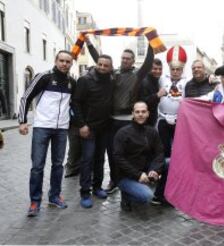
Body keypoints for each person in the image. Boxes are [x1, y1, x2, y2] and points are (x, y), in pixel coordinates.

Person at [85, 37, 154, 194]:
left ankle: (129, 180)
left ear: (133, 61)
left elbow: (149, 62)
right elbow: (99, 59)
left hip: (128, 121)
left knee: (129, 153)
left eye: (128, 59)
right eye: (123, 58)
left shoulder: (138, 74)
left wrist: (151, 43)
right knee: (112, 152)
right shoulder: (113, 73)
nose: (125, 61)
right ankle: (114, 180)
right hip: (111, 121)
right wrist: (89, 44)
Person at [18, 50, 76, 217]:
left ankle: (54, 196)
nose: (64, 64)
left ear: (71, 63)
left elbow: (73, 104)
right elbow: (26, 98)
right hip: (42, 127)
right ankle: (35, 201)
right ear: (56, 61)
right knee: (37, 166)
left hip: (62, 129)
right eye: (62, 61)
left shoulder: (72, 82)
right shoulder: (44, 77)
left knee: (58, 165)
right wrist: (22, 122)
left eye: (68, 61)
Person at [72, 55, 114, 208]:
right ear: (97, 64)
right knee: (87, 159)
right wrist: (81, 125)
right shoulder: (85, 80)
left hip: (104, 127)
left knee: (100, 159)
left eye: (106, 65)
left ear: (110, 67)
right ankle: (85, 192)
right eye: (100, 64)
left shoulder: (111, 80)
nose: (102, 67)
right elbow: (75, 103)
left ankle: (97, 187)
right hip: (88, 128)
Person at [113, 101, 164, 211]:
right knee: (147, 196)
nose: (140, 114)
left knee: (169, 162)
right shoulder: (123, 133)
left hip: (146, 172)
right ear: (133, 114)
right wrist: (138, 175)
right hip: (126, 177)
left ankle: (161, 195)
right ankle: (126, 195)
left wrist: (155, 170)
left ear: (148, 113)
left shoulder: (152, 131)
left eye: (143, 112)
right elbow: (118, 158)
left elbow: (159, 152)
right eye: (137, 112)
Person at [153, 45, 188, 205]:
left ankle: (177, 186)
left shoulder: (187, 82)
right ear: (169, 68)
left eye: (178, 69)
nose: (175, 72)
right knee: (164, 154)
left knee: (179, 155)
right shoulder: (161, 78)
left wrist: (212, 81)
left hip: (179, 122)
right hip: (162, 121)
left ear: (182, 69)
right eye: (173, 69)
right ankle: (161, 186)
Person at [138, 58, 166, 126]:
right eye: (155, 69)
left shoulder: (156, 80)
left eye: (160, 69)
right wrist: (157, 95)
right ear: (149, 69)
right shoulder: (145, 82)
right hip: (145, 119)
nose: (158, 71)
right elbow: (142, 102)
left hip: (152, 117)